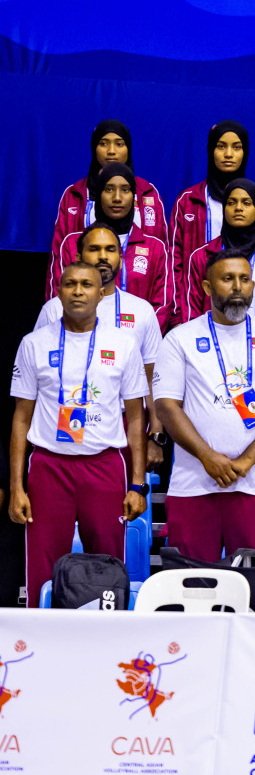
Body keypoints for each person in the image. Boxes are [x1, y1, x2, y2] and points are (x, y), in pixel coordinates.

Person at [9, 263, 148, 606]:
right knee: (42, 565)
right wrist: (16, 486)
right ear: (59, 292)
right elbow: (20, 420)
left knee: (107, 561)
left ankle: (107, 640)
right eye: (70, 284)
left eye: (87, 285)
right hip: (48, 467)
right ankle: (38, 645)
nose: (78, 291)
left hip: (104, 467)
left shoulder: (124, 344)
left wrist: (137, 484)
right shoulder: (33, 344)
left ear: (102, 293)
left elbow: (135, 419)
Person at [153, 252, 255, 561]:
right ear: (207, 287)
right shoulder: (179, 338)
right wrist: (208, 457)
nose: (238, 287)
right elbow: (167, 406)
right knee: (192, 587)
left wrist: (247, 460)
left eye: (245, 279)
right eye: (228, 279)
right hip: (194, 485)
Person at [36, 225, 164, 471]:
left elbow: (152, 379)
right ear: (78, 257)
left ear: (120, 256)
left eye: (110, 249)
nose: (103, 256)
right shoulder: (53, 310)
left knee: (119, 506)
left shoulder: (141, 310)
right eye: (94, 249)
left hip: (126, 424)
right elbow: (36, 381)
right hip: (63, 421)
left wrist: (155, 435)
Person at [49, 163, 171, 326]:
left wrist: (134, 339)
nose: (117, 198)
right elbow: (57, 299)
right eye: (109, 189)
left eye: (125, 190)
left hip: (137, 344)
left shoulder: (155, 247)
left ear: (134, 196)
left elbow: (162, 304)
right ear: (99, 194)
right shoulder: (73, 243)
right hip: (81, 338)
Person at [169, 121, 255, 285]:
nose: (228, 154)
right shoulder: (187, 200)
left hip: (247, 296)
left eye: (236, 147)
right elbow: (173, 261)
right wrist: (181, 306)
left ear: (245, 152)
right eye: (221, 146)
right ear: (210, 150)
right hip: (198, 294)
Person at [181, 179, 255, 327]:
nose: (238, 208)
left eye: (246, 203)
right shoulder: (201, 256)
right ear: (224, 209)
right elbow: (191, 316)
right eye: (231, 202)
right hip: (211, 344)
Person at [51, 119, 166, 256]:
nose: (111, 151)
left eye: (119, 144)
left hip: (137, 273)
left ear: (128, 148)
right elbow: (60, 252)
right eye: (103, 144)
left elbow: (162, 251)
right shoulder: (75, 193)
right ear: (94, 148)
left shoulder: (147, 192)